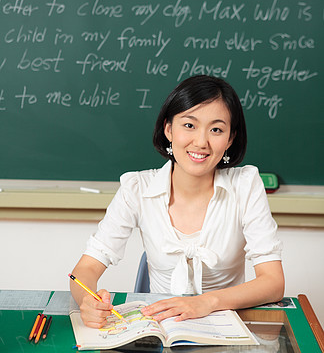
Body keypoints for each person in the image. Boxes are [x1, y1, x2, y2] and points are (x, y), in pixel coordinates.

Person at [70, 75, 284, 328]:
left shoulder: (245, 185)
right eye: (189, 125)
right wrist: (88, 301)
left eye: (216, 129)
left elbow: (273, 282)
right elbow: (84, 271)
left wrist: (206, 302)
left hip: (227, 326)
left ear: (230, 139)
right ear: (168, 129)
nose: (201, 142)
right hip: (160, 327)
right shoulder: (137, 189)